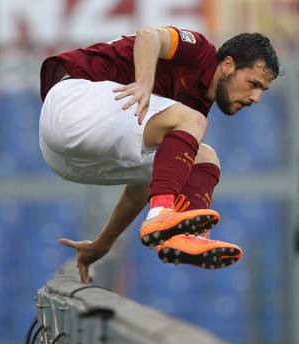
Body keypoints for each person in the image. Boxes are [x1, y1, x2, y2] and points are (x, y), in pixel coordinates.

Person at [39, 26, 280, 283]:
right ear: (228, 65)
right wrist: (144, 84)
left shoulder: (187, 115)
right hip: (73, 104)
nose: (255, 97)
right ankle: (162, 214)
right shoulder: (199, 51)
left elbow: (143, 187)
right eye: (253, 84)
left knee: (203, 157)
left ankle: (185, 236)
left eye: (261, 90)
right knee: (194, 125)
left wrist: (102, 244)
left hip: (66, 160)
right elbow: (148, 36)